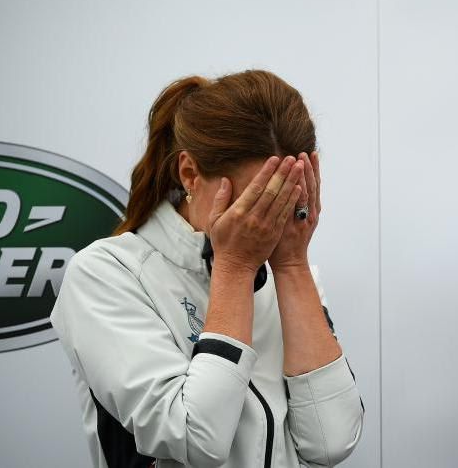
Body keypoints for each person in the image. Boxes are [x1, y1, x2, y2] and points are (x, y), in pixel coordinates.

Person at [51, 70, 364, 467]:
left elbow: (332, 441)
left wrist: (291, 264)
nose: (270, 220)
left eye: (288, 199)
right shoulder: (106, 274)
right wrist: (232, 268)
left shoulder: (284, 273)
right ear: (190, 174)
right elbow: (195, 439)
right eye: (256, 199)